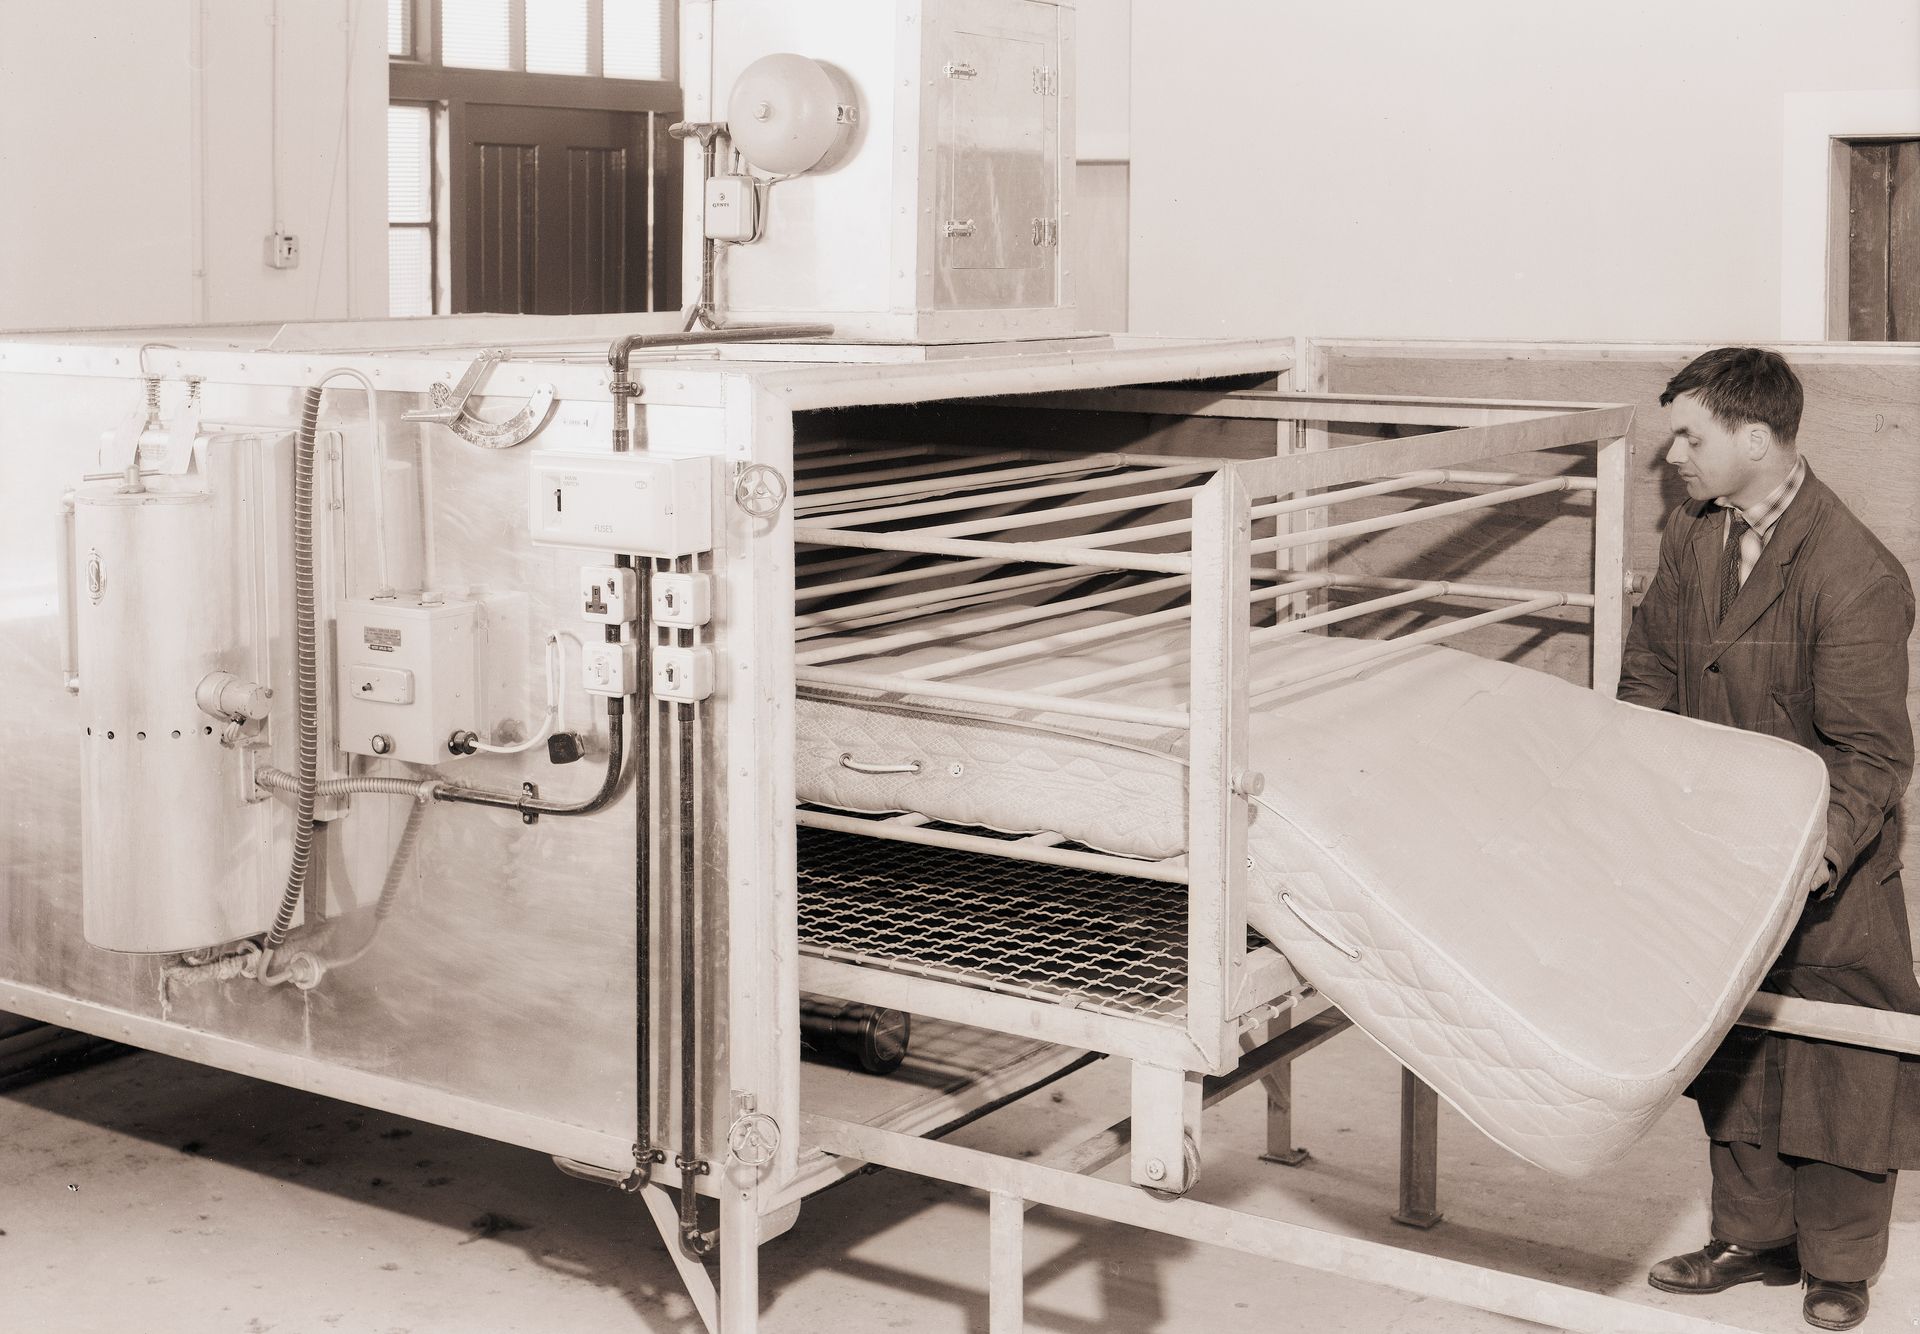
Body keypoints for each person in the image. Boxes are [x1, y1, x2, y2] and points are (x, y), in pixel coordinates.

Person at [1618, 346, 1920, 1331]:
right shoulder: (1694, 536)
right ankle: (1753, 1234)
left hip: (1828, 875)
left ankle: (1840, 1261)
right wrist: (1637, 797)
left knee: (1843, 1060)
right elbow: (1652, 671)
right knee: (1737, 1048)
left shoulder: (1854, 572)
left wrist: (1806, 865)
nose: (1674, 457)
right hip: (1715, 853)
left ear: (1755, 437)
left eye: (1691, 436)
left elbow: (1873, 755)